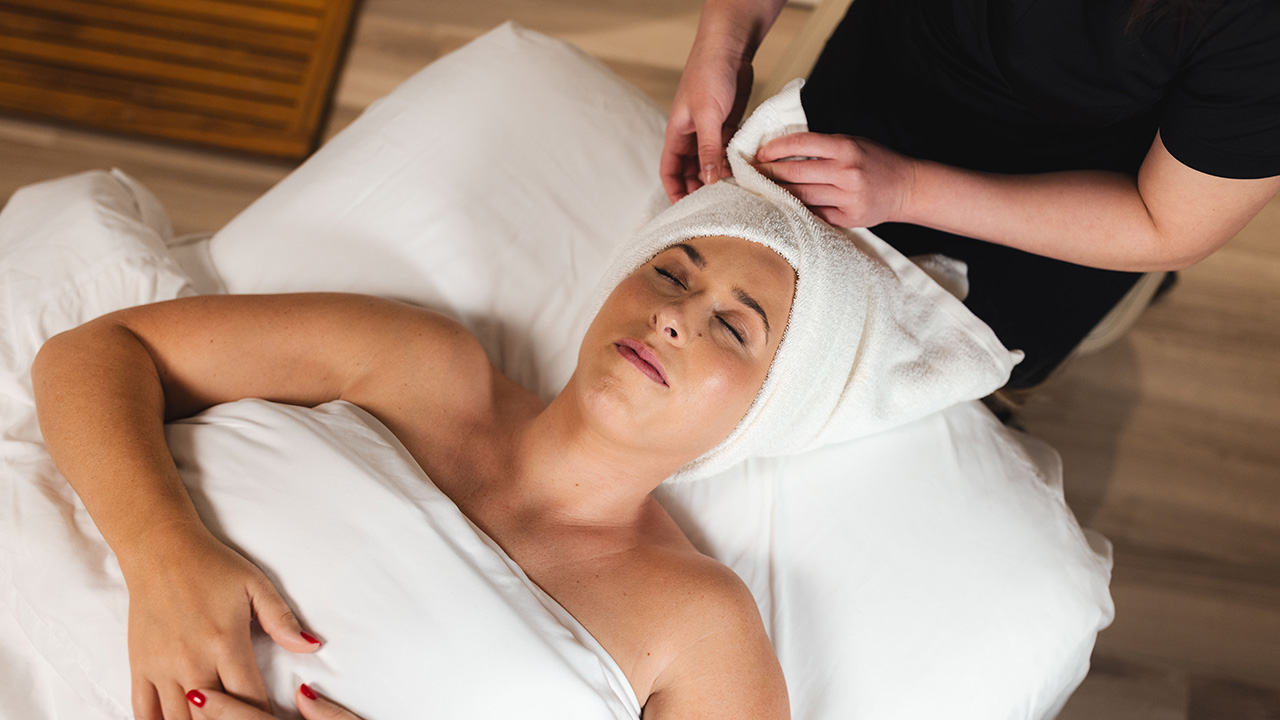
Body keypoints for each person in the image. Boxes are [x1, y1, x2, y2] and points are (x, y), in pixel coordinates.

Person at [32, 234, 796, 720]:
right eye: (669, 273)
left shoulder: (702, 630)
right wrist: (162, 555)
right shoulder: (417, 362)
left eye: (733, 326)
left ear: (770, 409)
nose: (675, 316)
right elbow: (97, 353)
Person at [661, 0, 1280, 389]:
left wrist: (908, 188)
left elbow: (1169, 223)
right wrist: (725, 38)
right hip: (880, 69)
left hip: (1050, 205)